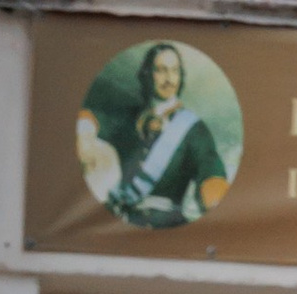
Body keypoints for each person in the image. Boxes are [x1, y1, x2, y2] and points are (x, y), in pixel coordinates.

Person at [78, 41, 229, 228]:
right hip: (119, 222)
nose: (169, 78)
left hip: (166, 223)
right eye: (161, 70)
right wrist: (85, 136)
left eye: (175, 71)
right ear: (147, 75)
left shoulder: (194, 129)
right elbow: (91, 118)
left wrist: (212, 197)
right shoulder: (129, 116)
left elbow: (211, 170)